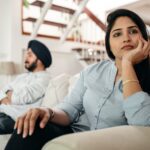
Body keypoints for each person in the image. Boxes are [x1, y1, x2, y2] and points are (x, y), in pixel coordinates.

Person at [5, 9, 150, 150]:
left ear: (144, 38)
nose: (126, 38)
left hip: (109, 143)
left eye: (133, 31)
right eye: (117, 34)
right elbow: (70, 109)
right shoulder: (91, 71)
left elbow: (142, 125)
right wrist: (47, 112)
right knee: (30, 126)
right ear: (109, 46)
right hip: (72, 133)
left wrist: (127, 63)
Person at [0, 40, 52, 134]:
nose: (25, 58)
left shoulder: (45, 78)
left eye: (30, 55)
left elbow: (22, 97)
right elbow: (3, 90)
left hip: (14, 118)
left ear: (40, 60)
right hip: (3, 110)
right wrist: (6, 95)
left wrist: (8, 94)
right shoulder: (22, 76)